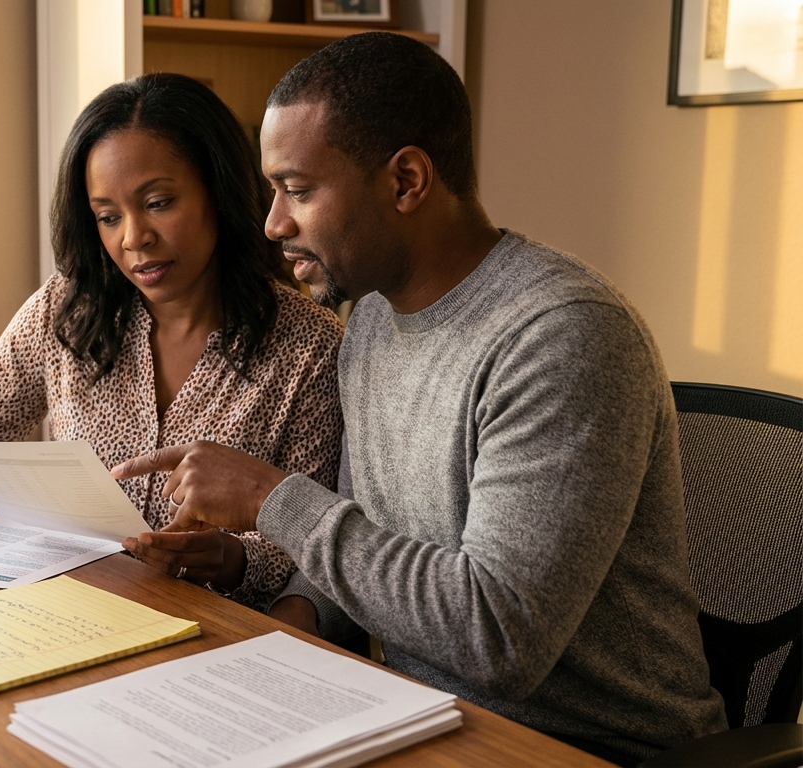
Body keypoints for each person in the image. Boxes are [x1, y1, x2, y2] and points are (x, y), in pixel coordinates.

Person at [111, 34, 727, 765]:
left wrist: (274, 499)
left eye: (298, 190)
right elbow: (355, 551)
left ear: (406, 180)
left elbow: (497, 638)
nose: (273, 223)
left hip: (581, 746)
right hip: (419, 717)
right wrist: (273, 638)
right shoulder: (369, 317)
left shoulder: (563, 337)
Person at [0, 73, 345, 612]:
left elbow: (315, 548)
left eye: (158, 202)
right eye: (108, 217)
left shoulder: (313, 346)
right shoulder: (68, 309)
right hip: (68, 613)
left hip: (212, 634)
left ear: (219, 191)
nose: (133, 237)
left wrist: (233, 558)